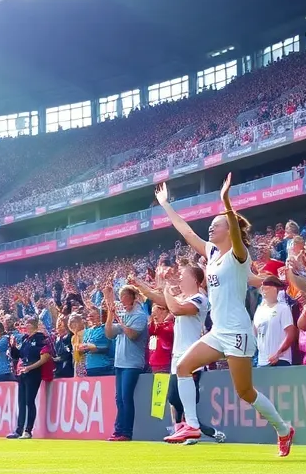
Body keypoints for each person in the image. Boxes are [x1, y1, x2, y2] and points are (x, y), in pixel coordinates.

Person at [157, 175, 295, 456]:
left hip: (238, 333)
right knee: (183, 367)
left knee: (245, 392)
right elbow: (186, 232)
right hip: (218, 332)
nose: (210, 227)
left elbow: (234, 229)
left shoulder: (238, 254)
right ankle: (191, 425)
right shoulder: (212, 254)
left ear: (228, 230)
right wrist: (165, 205)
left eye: (215, 224)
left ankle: (283, 429)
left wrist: (227, 202)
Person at [161, 263, 224, 443]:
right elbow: (162, 300)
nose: (181, 279)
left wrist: (166, 290)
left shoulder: (199, 299)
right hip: (177, 358)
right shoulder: (184, 298)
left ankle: (205, 431)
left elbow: (175, 309)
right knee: (174, 399)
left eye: (184, 276)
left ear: (194, 280)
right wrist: (140, 284)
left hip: (192, 356)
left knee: (183, 401)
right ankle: (188, 431)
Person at [103, 284, 148, 441]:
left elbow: (132, 334)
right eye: (120, 297)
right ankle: (118, 430)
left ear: (133, 298)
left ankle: (126, 432)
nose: (121, 301)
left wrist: (118, 318)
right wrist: (110, 314)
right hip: (120, 362)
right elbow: (109, 334)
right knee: (119, 398)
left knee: (126, 397)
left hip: (133, 363)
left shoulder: (140, 316)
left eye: (124, 297)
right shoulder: (123, 314)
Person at [7, 315, 52, 439]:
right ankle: (19, 429)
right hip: (23, 372)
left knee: (29, 401)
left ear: (34, 325)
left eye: (27, 324)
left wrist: (30, 367)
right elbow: (19, 355)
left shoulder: (39, 338)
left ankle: (28, 430)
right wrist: (13, 347)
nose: (25, 327)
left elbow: (44, 355)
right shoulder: (26, 339)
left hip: (33, 372)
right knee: (21, 402)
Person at [254, 277, 296, 367]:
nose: (263, 290)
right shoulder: (259, 309)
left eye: (266, 287)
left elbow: (290, 334)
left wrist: (278, 353)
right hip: (262, 361)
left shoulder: (283, 308)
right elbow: (255, 333)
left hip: (280, 360)